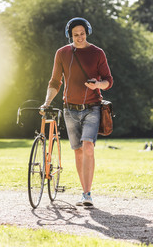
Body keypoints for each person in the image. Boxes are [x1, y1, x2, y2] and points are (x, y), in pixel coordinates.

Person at [40, 17, 113, 208]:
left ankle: (87, 194)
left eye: (82, 34)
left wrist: (97, 84)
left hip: (92, 108)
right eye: (75, 35)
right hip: (69, 110)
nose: (79, 38)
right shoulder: (62, 53)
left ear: (87, 32)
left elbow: (108, 81)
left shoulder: (97, 53)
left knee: (88, 146)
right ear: (69, 36)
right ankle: (84, 192)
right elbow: (55, 82)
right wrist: (47, 102)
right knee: (78, 152)